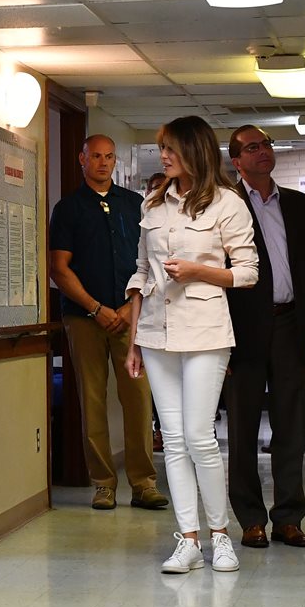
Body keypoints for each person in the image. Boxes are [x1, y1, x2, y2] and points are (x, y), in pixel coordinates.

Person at [123, 116, 258, 574]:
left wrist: (200, 271)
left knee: (200, 436)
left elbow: (247, 272)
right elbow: (141, 274)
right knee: (174, 441)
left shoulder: (228, 203)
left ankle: (222, 536)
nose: (163, 156)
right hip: (156, 332)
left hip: (206, 331)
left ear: (194, 150)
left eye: (171, 148)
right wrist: (133, 341)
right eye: (162, 148)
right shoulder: (154, 203)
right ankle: (189, 539)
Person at [50, 135, 167, 511]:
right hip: (84, 318)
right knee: (92, 400)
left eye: (109, 157)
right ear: (81, 159)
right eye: (95, 157)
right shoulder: (68, 209)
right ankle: (102, 483)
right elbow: (59, 269)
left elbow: (152, 263)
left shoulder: (134, 205)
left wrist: (127, 308)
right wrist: (96, 308)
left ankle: (144, 482)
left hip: (131, 316)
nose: (103, 163)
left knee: (138, 399)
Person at [224, 125, 305, 550]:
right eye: (253, 147)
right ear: (236, 160)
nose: (263, 152)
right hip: (242, 328)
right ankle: (251, 518)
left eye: (267, 144)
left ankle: (289, 516)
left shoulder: (300, 206)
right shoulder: (223, 204)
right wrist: (221, 338)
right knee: (243, 426)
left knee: (291, 424)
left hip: (290, 323)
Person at [145, 171, 167, 454]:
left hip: (183, 316)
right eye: (152, 188)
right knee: (154, 386)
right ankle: (159, 431)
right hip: (149, 316)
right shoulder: (144, 220)